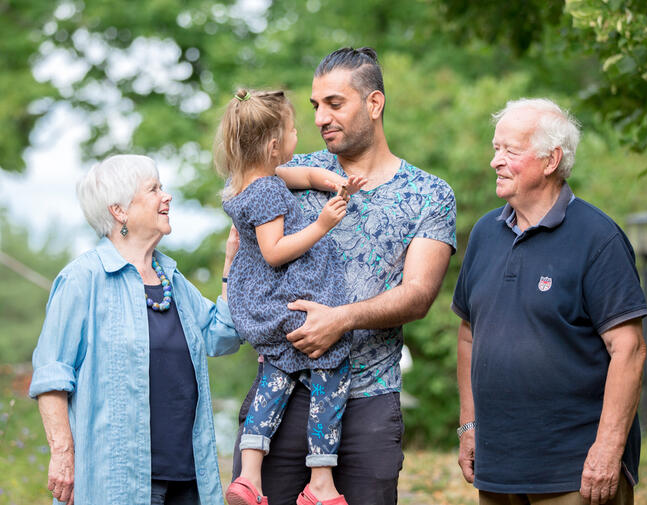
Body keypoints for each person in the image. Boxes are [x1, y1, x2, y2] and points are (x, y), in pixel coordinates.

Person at [231, 47, 458, 505]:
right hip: (281, 393)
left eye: (334, 104)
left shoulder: (430, 195)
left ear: (374, 104)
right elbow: (243, 246)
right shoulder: (288, 175)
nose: (320, 117)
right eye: (315, 106)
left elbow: (417, 296)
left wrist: (340, 319)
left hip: (368, 402)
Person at [451, 98, 647, 505]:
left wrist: (608, 451)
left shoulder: (599, 239)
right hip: (498, 470)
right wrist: (468, 426)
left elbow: (629, 350)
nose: (495, 161)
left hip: (574, 471)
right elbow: (469, 335)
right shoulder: (485, 234)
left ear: (551, 160)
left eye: (510, 151)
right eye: (495, 148)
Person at [29, 154, 242, 505]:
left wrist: (231, 264)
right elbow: (52, 374)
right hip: (118, 482)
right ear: (119, 211)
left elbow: (222, 336)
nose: (166, 196)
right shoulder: (83, 280)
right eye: (154, 188)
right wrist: (63, 455)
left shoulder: (172, 280)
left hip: (189, 478)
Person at [215, 88, 367, 505]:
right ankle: (321, 481)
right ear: (273, 144)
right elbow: (273, 250)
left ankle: (249, 476)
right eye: (293, 130)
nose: (301, 135)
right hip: (283, 300)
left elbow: (303, 176)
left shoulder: (252, 179)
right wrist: (322, 224)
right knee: (332, 364)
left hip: (263, 301)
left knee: (276, 376)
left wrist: (332, 180)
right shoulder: (265, 192)